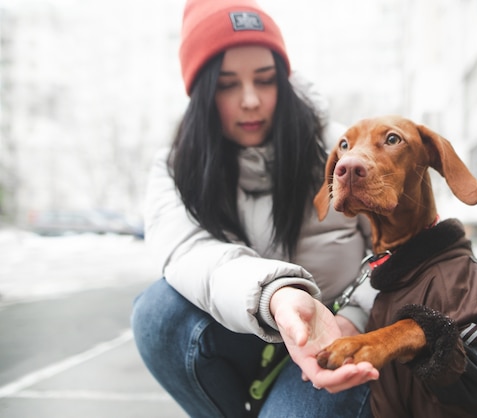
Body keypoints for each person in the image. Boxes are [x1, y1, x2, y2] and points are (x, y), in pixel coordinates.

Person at [130, 0, 379, 417]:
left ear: (284, 81)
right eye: (228, 84)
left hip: (337, 333)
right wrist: (277, 295)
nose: (250, 100)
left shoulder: (345, 153)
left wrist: (355, 319)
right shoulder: (176, 168)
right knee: (158, 313)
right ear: (203, 92)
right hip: (248, 331)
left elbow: (407, 248)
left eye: (264, 80)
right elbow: (190, 254)